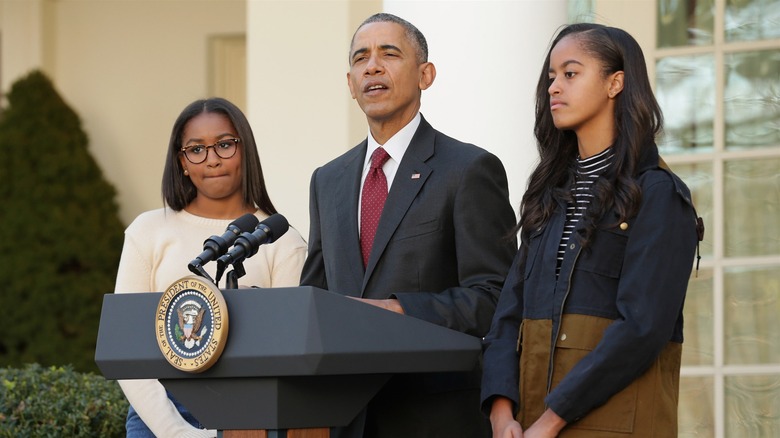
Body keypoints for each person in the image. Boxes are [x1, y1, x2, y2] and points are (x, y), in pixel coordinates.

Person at [300, 12, 517, 438]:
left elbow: (497, 298)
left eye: (389, 54)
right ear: (350, 84)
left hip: (435, 416)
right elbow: (319, 297)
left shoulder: (469, 169)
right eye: (361, 58)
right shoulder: (328, 180)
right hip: (347, 418)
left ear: (425, 74)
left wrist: (398, 309)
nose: (372, 66)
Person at [481, 23, 703, 437]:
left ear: (615, 82)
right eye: (551, 77)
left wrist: (550, 421)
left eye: (570, 73)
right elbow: (507, 316)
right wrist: (500, 411)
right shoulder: (549, 193)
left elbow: (642, 327)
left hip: (611, 425)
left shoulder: (658, 194)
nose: (553, 88)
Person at [115, 97, 307, 437]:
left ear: (244, 150)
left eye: (224, 145)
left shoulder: (282, 240)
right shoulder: (147, 232)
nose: (212, 159)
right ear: (182, 162)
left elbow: (289, 351)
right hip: (158, 413)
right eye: (196, 149)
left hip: (251, 411)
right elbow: (126, 346)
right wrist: (174, 430)